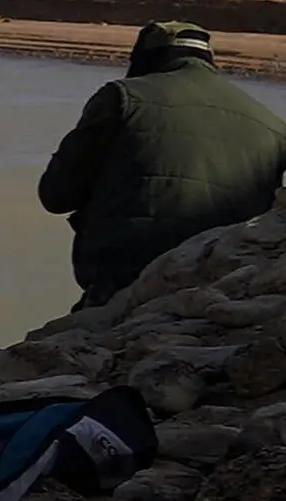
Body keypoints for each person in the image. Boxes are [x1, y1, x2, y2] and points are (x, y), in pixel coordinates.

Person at [39, 21, 285, 306]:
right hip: (223, 281)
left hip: (128, 277)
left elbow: (56, 196)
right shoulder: (273, 125)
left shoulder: (124, 97)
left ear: (146, 58)